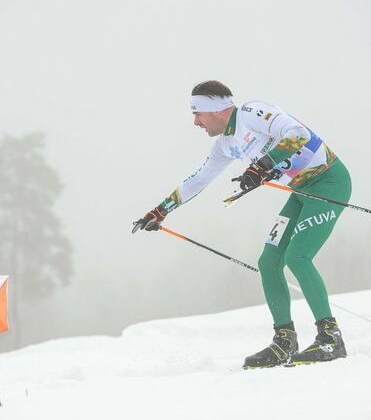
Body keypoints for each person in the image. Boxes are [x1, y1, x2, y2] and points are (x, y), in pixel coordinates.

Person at [132, 80, 352, 368]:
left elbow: (299, 134)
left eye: (198, 113)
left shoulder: (252, 112)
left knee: (297, 257)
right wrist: (160, 211)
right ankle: (284, 341)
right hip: (301, 193)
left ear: (216, 109)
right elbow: (198, 180)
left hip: (328, 181)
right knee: (269, 262)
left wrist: (262, 165)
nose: (196, 122)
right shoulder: (224, 145)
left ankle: (330, 338)